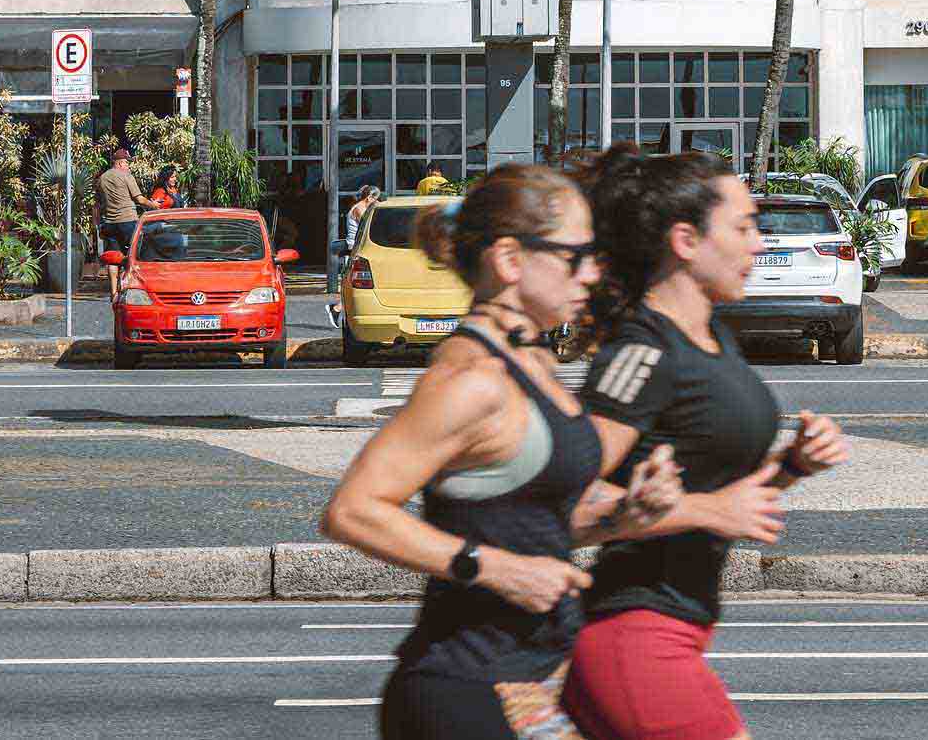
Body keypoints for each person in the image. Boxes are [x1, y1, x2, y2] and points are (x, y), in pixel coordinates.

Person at [321, 164, 694, 740]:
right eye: (576, 256)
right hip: (465, 691)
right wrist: (495, 569)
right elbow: (352, 510)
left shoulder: (532, 360)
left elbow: (528, 517)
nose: (591, 273)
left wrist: (627, 513)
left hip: (531, 682)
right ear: (510, 260)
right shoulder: (473, 379)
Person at [565, 147, 851, 740]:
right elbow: (557, 505)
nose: (759, 245)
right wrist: (703, 509)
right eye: (743, 228)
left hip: (676, 632)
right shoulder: (643, 351)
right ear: (686, 241)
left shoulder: (712, 336)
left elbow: (722, 495)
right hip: (634, 637)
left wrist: (792, 466)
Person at [96, 146, 143, 261]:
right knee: (133, 255)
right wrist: (154, 205)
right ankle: (129, 273)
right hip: (128, 221)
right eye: (127, 163)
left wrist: (97, 226)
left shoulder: (102, 178)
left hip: (110, 223)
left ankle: (113, 274)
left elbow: (97, 204)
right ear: (120, 163)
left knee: (113, 256)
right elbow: (139, 199)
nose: (128, 166)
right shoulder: (126, 176)